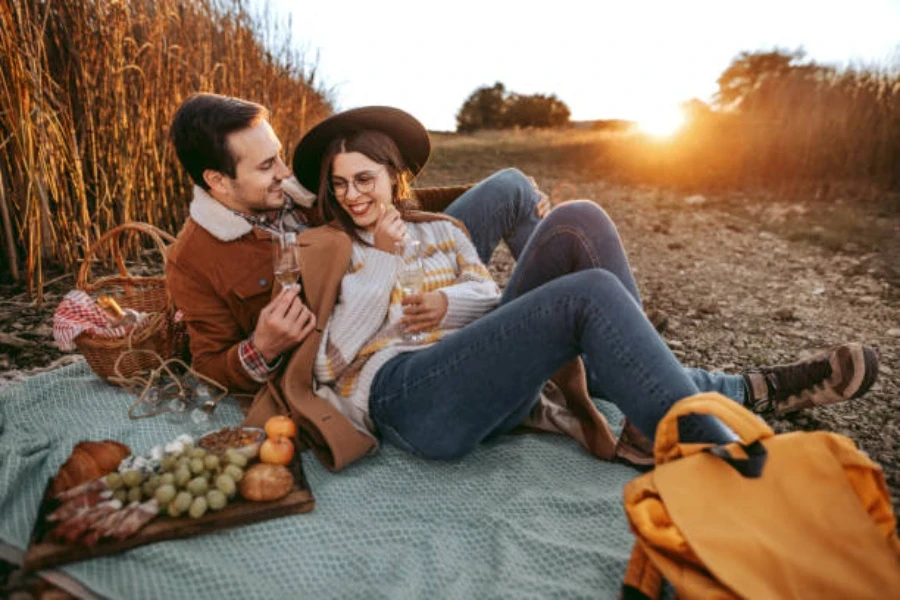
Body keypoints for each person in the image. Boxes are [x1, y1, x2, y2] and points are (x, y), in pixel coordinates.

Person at [282, 105, 879, 462]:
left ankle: (653, 421)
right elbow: (331, 364)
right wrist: (383, 262)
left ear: (395, 178)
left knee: (581, 219)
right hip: (407, 400)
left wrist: (445, 304)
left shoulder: (442, 231)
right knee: (588, 294)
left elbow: (488, 296)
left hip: (481, 378)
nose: (352, 196)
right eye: (339, 185)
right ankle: (719, 454)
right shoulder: (329, 246)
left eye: (364, 179)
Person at [165, 93, 549, 396]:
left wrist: (498, 197)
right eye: (266, 166)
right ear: (217, 180)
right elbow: (209, 366)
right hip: (357, 348)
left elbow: (384, 198)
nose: (284, 172)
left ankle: (577, 365)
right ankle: (537, 347)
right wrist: (262, 347)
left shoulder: (301, 193)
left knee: (511, 188)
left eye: (279, 156)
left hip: (412, 295)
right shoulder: (192, 260)